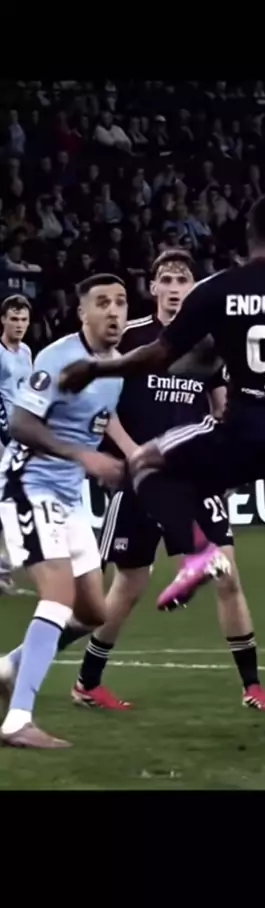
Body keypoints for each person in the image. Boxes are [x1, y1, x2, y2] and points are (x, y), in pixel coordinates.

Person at [59, 192, 265, 733]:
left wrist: (97, 369)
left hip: (244, 431)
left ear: (248, 235)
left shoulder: (218, 288)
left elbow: (159, 355)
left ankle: (197, 552)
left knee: (147, 461)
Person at [56, 249, 265, 712]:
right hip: (139, 480)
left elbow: (222, 406)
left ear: (193, 288)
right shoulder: (132, 337)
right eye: (167, 279)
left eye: (183, 279)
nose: (175, 286)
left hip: (195, 477)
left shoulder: (207, 341)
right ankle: (73, 675)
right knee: (128, 585)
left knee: (227, 574)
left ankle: (253, 686)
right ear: (154, 287)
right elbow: (103, 406)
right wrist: (133, 454)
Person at [0, 274, 127, 748]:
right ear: (82, 313)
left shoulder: (115, 365)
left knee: (93, 611)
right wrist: (81, 455)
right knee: (56, 598)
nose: (113, 311)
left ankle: (9, 667)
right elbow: (21, 423)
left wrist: (130, 453)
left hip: (70, 498)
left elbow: (101, 417)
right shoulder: (58, 358)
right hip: (29, 487)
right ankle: (17, 721)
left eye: (120, 302)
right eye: (102, 302)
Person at [0, 295, 33, 594]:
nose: (19, 325)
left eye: (23, 319)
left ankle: (4, 570)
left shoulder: (26, 351)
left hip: (19, 436)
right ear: (3, 320)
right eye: (14, 319)